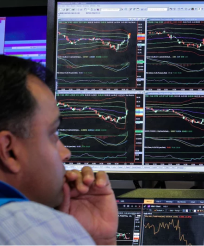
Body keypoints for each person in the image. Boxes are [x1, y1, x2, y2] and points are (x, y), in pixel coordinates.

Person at [0, 55, 118, 244]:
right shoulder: (27, 224)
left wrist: (94, 238)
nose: (66, 153)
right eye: (53, 134)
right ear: (8, 150)